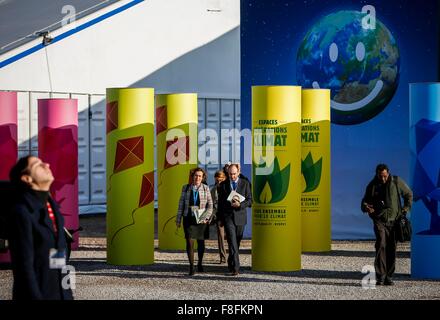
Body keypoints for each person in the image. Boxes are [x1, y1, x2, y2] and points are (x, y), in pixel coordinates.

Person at [7, 156, 73, 300]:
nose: (47, 164)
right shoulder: (22, 213)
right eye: (38, 164)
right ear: (27, 179)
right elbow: (24, 267)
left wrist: (67, 294)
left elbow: (59, 257)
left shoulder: (52, 208)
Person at [361, 163, 413, 286]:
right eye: (380, 176)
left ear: (388, 172)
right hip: (379, 221)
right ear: (377, 174)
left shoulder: (396, 181)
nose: (383, 179)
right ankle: (380, 276)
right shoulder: (372, 185)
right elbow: (364, 202)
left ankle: (389, 276)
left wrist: (405, 209)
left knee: (391, 248)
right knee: (380, 244)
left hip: (394, 221)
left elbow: (409, 194)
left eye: (385, 176)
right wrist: (366, 207)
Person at [176, 167, 213, 275]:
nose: (197, 178)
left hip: (201, 219)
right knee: (189, 242)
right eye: (196, 175)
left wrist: (206, 217)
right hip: (188, 218)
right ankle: (191, 267)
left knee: (201, 243)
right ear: (192, 177)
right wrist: (178, 219)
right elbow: (181, 204)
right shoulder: (186, 188)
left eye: (200, 176)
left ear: (203, 178)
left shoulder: (206, 188)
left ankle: (200, 263)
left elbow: (210, 205)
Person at [218, 163, 252, 276]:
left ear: (238, 172)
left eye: (234, 174)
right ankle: (236, 268)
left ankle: (230, 261)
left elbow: (250, 201)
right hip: (228, 217)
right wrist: (220, 219)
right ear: (228, 173)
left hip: (240, 217)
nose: (232, 176)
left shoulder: (245, 183)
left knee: (236, 242)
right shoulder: (222, 185)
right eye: (230, 174)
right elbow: (220, 204)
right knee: (232, 241)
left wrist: (240, 205)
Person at [210, 170, 227, 264]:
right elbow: (211, 204)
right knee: (220, 237)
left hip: (229, 215)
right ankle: (223, 257)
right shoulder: (213, 190)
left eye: (221, 180)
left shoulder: (229, 188)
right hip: (219, 216)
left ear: (224, 178)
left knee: (232, 237)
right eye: (217, 180)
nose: (219, 182)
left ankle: (232, 255)